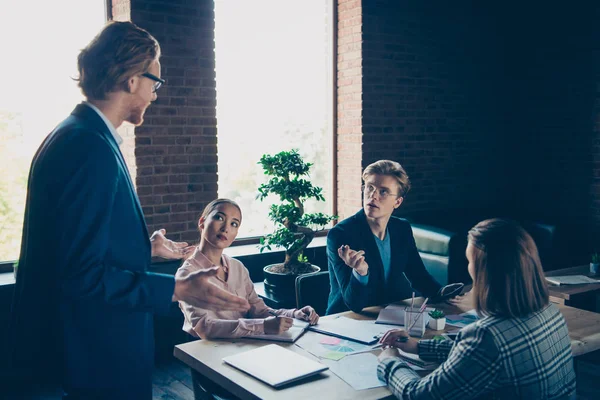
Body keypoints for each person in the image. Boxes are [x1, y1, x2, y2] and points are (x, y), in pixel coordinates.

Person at [8, 21, 250, 400]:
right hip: (92, 359)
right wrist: (177, 287)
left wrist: (143, 249)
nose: (156, 94)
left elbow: (72, 248)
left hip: (88, 353)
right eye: (156, 82)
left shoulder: (78, 134)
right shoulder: (88, 147)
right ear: (133, 78)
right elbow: (79, 275)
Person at [377, 218, 576, 399]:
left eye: (470, 262)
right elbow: (478, 355)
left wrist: (390, 361)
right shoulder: (550, 311)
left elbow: (420, 395)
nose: (468, 269)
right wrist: (417, 346)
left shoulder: (486, 336)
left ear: (487, 272)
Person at [177, 198, 319, 340]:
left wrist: (294, 314)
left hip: (244, 345)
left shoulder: (237, 267)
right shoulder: (187, 274)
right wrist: (261, 326)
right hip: (206, 352)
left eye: (234, 224)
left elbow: (260, 311)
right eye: (219, 217)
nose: (226, 228)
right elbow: (204, 327)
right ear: (202, 222)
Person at [326, 160, 443, 315]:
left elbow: (418, 275)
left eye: (383, 192)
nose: (373, 196)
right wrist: (361, 272)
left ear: (397, 202)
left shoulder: (401, 228)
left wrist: (444, 295)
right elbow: (354, 304)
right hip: (346, 319)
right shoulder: (341, 234)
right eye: (370, 188)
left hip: (386, 316)